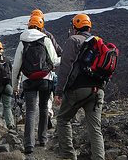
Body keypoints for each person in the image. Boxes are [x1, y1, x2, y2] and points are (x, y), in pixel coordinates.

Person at [54, 14, 105, 160]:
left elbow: (65, 67)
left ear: (75, 26)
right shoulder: (98, 42)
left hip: (78, 89)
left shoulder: (73, 40)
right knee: (95, 129)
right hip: (97, 90)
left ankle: (69, 156)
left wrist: (59, 91)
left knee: (63, 120)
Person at [12, 15, 60, 155]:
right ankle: (43, 139)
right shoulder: (45, 39)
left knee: (31, 111)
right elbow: (55, 60)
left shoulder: (22, 42)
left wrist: (15, 86)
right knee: (44, 107)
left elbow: (16, 67)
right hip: (45, 79)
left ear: (29, 25)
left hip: (28, 80)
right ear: (41, 26)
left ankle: (28, 144)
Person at [30, 8, 62, 129]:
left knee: (34, 99)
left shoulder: (25, 37)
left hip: (29, 74)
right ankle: (47, 115)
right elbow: (58, 51)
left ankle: (34, 123)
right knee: (47, 98)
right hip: (46, 72)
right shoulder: (48, 35)